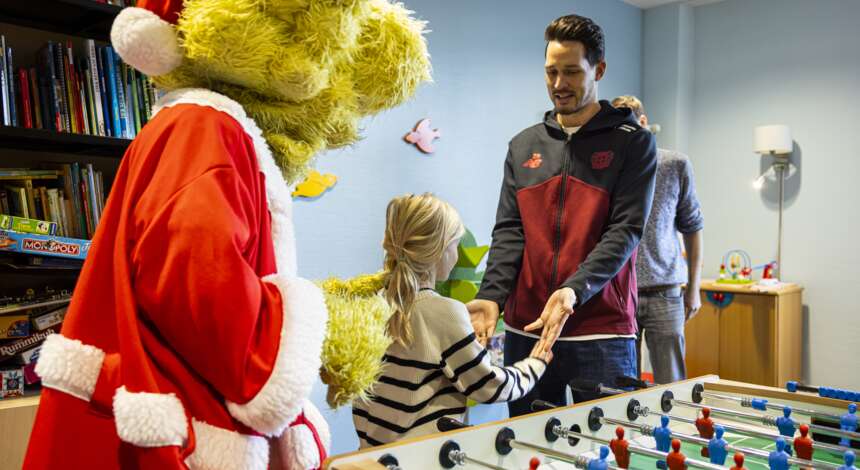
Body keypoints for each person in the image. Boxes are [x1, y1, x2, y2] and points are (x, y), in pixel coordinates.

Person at [23, 0, 432, 468]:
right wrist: (312, 323)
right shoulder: (205, 127)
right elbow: (198, 283)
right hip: (183, 430)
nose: (314, 75)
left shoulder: (201, 127)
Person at [467, 13, 657, 417]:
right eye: (551, 72)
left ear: (599, 69)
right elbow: (510, 230)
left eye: (571, 72)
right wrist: (490, 296)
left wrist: (574, 289)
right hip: (528, 330)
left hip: (601, 329)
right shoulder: (523, 146)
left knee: (607, 446)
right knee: (528, 445)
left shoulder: (633, 144)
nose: (558, 84)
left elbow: (626, 230)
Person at [352, 194, 552, 447]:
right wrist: (535, 364)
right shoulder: (444, 313)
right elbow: (489, 387)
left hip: (373, 455)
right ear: (440, 249)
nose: (456, 255)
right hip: (421, 458)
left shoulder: (371, 304)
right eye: (455, 245)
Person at [611, 95, 704, 385]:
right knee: (624, 384)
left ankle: (674, 430)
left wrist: (694, 288)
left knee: (671, 383)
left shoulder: (675, 164)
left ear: (643, 123)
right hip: (619, 293)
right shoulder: (606, 169)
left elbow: (693, 226)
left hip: (666, 291)